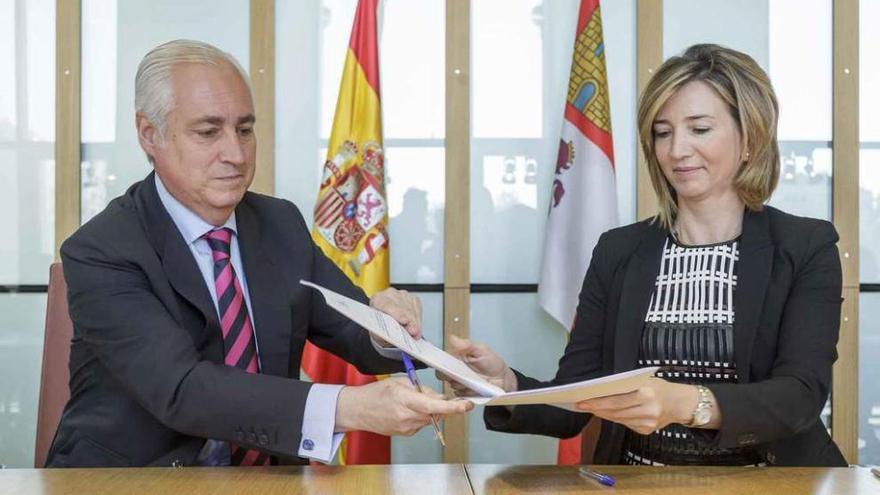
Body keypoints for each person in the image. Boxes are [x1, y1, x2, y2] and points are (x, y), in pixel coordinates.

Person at [47, 40, 471, 468]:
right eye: (208, 132)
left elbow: (353, 334)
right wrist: (349, 407)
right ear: (149, 134)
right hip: (131, 480)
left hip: (270, 479)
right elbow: (182, 389)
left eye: (245, 129)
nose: (235, 154)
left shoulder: (278, 223)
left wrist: (384, 329)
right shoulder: (102, 249)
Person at [445, 44, 846, 467]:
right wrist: (503, 385)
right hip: (639, 482)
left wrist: (688, 404)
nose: (677, 150)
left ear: (750, 138)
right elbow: (577, 396)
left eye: (700, 129)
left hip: (774, 482)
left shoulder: (805, 246)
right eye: (663, 132)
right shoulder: (619, 251)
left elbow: (800, 395)